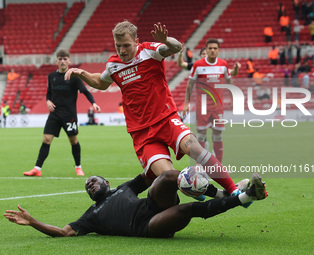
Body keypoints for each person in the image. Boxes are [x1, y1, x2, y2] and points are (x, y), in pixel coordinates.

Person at [65, 21, 245, 200]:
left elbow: (175, 48)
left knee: (196, 149)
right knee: (169, 177)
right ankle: (220, 194)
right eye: (118, 46)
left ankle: (233, 190)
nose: (122, 51)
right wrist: (82, 74)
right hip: (141, 133)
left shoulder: (149, 51)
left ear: (136, 41)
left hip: (167, 119)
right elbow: (100, 82)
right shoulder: (114, 65)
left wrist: (166, 40)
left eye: (126, 45)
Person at [3, 171, 268, 238]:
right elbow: (64, 232)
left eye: (93, 181)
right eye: (87, 186)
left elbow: (151, 172)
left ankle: (223, 194)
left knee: (167, 176)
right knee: (187, 209)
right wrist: (33, 222)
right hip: (148, 226)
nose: (90, 185)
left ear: (106, 182)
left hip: (154, 204)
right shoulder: (90, 216)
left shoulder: (124, 188)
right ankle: (245, 197)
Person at [23, 50, 101, 177]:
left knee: (73, 140)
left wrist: (93, 103)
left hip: (69, 115)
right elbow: (49, 92)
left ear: (69, 61)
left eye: (65, 59)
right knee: (46, 139)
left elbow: (85, 91)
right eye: (60, 59)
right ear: (56, 61)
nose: (63, 61)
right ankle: (37, 169)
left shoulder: (75, 78)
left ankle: (78, 167)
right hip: (54, 114)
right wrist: (48, 101)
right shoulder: (51, 76)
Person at [182, 38, 241, 164]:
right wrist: (186, 103)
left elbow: (229, 82)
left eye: (215, 48)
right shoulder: (198, 65)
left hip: (217, 106)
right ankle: (200, 166)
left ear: (218, 50)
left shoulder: (223, 64)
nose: (212, 50)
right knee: (201, 135)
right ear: (206, 50)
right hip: (202, 105)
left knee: (218, 135)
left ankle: (218, 167)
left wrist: (233, 99)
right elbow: (190, 84)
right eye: (210, 48)